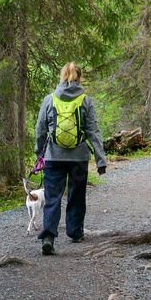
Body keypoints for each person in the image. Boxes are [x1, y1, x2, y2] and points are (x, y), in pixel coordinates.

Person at [34, 62, 107, 255]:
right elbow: (93, 132)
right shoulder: (86, 100)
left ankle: (48, 237)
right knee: (76, 196)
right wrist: (101, 161)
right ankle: (75, 232)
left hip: (53, 158)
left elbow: (40, 130)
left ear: (62, 77)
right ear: (79, 78)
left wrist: (39, 152)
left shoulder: (49, 100)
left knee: (52, 198)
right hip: (78, 158)